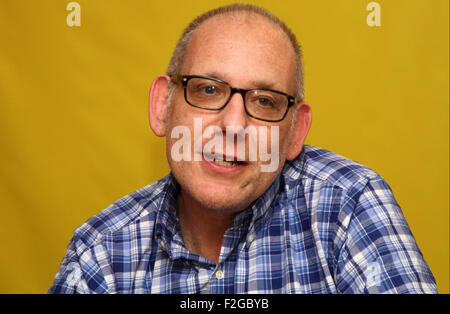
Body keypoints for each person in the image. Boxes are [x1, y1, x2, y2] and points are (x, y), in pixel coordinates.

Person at [49, 3, 437, 294]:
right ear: (161, 107)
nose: (234, 125)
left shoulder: (349, 206)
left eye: (265, 101)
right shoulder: (99, 253)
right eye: (208, 89)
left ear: (295, 132)